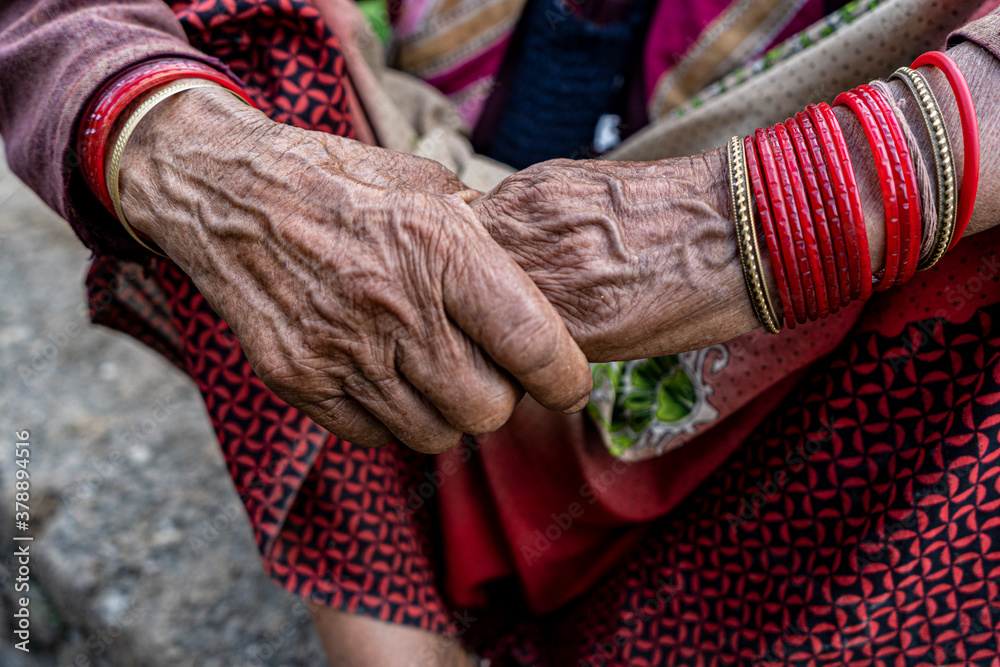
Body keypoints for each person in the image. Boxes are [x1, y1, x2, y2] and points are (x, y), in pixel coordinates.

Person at [2, 0, 1000, 664]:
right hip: (419, 143)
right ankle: (385, 615)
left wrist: (780, 214)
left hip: (829, 387)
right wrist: (202, 156)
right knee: (210, 65)